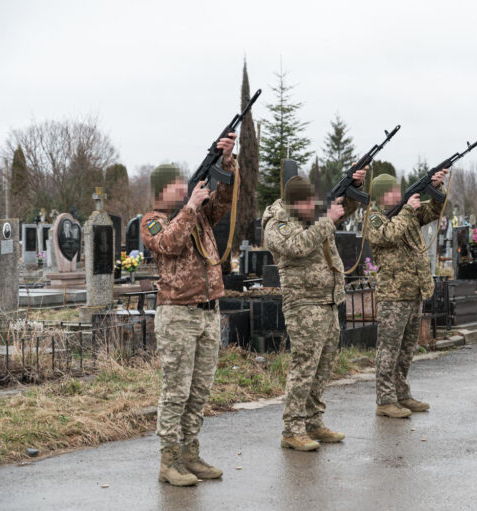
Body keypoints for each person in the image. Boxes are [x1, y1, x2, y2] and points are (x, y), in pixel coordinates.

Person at [140, 133, 238, 486]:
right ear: (162, 189)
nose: (184, 186)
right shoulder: (153, 219)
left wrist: (226, 161)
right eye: (177, 183)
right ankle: (168, 461)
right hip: (178, 314)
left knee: (200, 391)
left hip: (207, 312)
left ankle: (190, 454)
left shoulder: (200, 214)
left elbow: (225, 199)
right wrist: (191, 206)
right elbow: (168, 244)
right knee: (177, 390)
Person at [262, 169, 367, 451]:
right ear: (295, 203)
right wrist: (326, 221)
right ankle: (292, 429)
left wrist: (355, 185)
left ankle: (313, 421)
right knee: (304, 368)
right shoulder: (278, 223)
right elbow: (297, 247)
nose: (313, 206)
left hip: (328, 299)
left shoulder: (309, 216)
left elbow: (341, 210)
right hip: (304, 303)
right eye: (308, 202)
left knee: (323, 367)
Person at [366, 170, 447, 419]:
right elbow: (390, 235)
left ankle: (402, 394)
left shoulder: (407, 211)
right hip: (394, 294)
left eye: (398, 190)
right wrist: (407, 211)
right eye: (392, 191)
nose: (398, 194)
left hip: (414, 291)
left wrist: (436, 187)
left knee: (407, 348)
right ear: (382, 196)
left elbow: (434, 211)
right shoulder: (375, 217)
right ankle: (385, 400)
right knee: (388, 349)